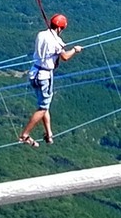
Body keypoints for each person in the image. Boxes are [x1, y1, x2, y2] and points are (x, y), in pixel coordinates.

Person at [18, 13, 82, 147]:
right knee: (42, 108)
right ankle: (25, 135)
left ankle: (49, 134)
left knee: (44, 105)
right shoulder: (56, 41)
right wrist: (75, 50)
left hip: (34, 73)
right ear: (60, 28)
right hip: (45, 76)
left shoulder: (41, 34)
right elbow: (64, 57)